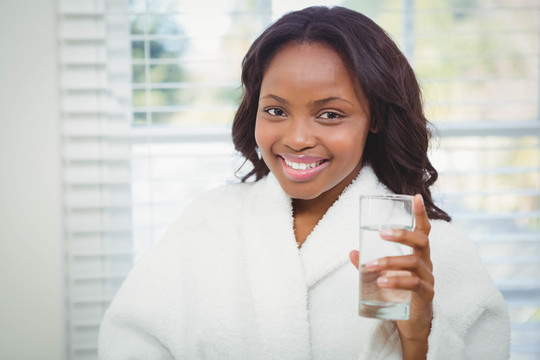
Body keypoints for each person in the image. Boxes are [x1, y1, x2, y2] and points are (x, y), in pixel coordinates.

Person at [99, 6, 510, 360]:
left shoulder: (435, 251)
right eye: (276, 110)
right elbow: (130, 342)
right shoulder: (207, 223)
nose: (296, 138)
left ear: (377, 118)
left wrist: (419, 336)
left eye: (330, 114)